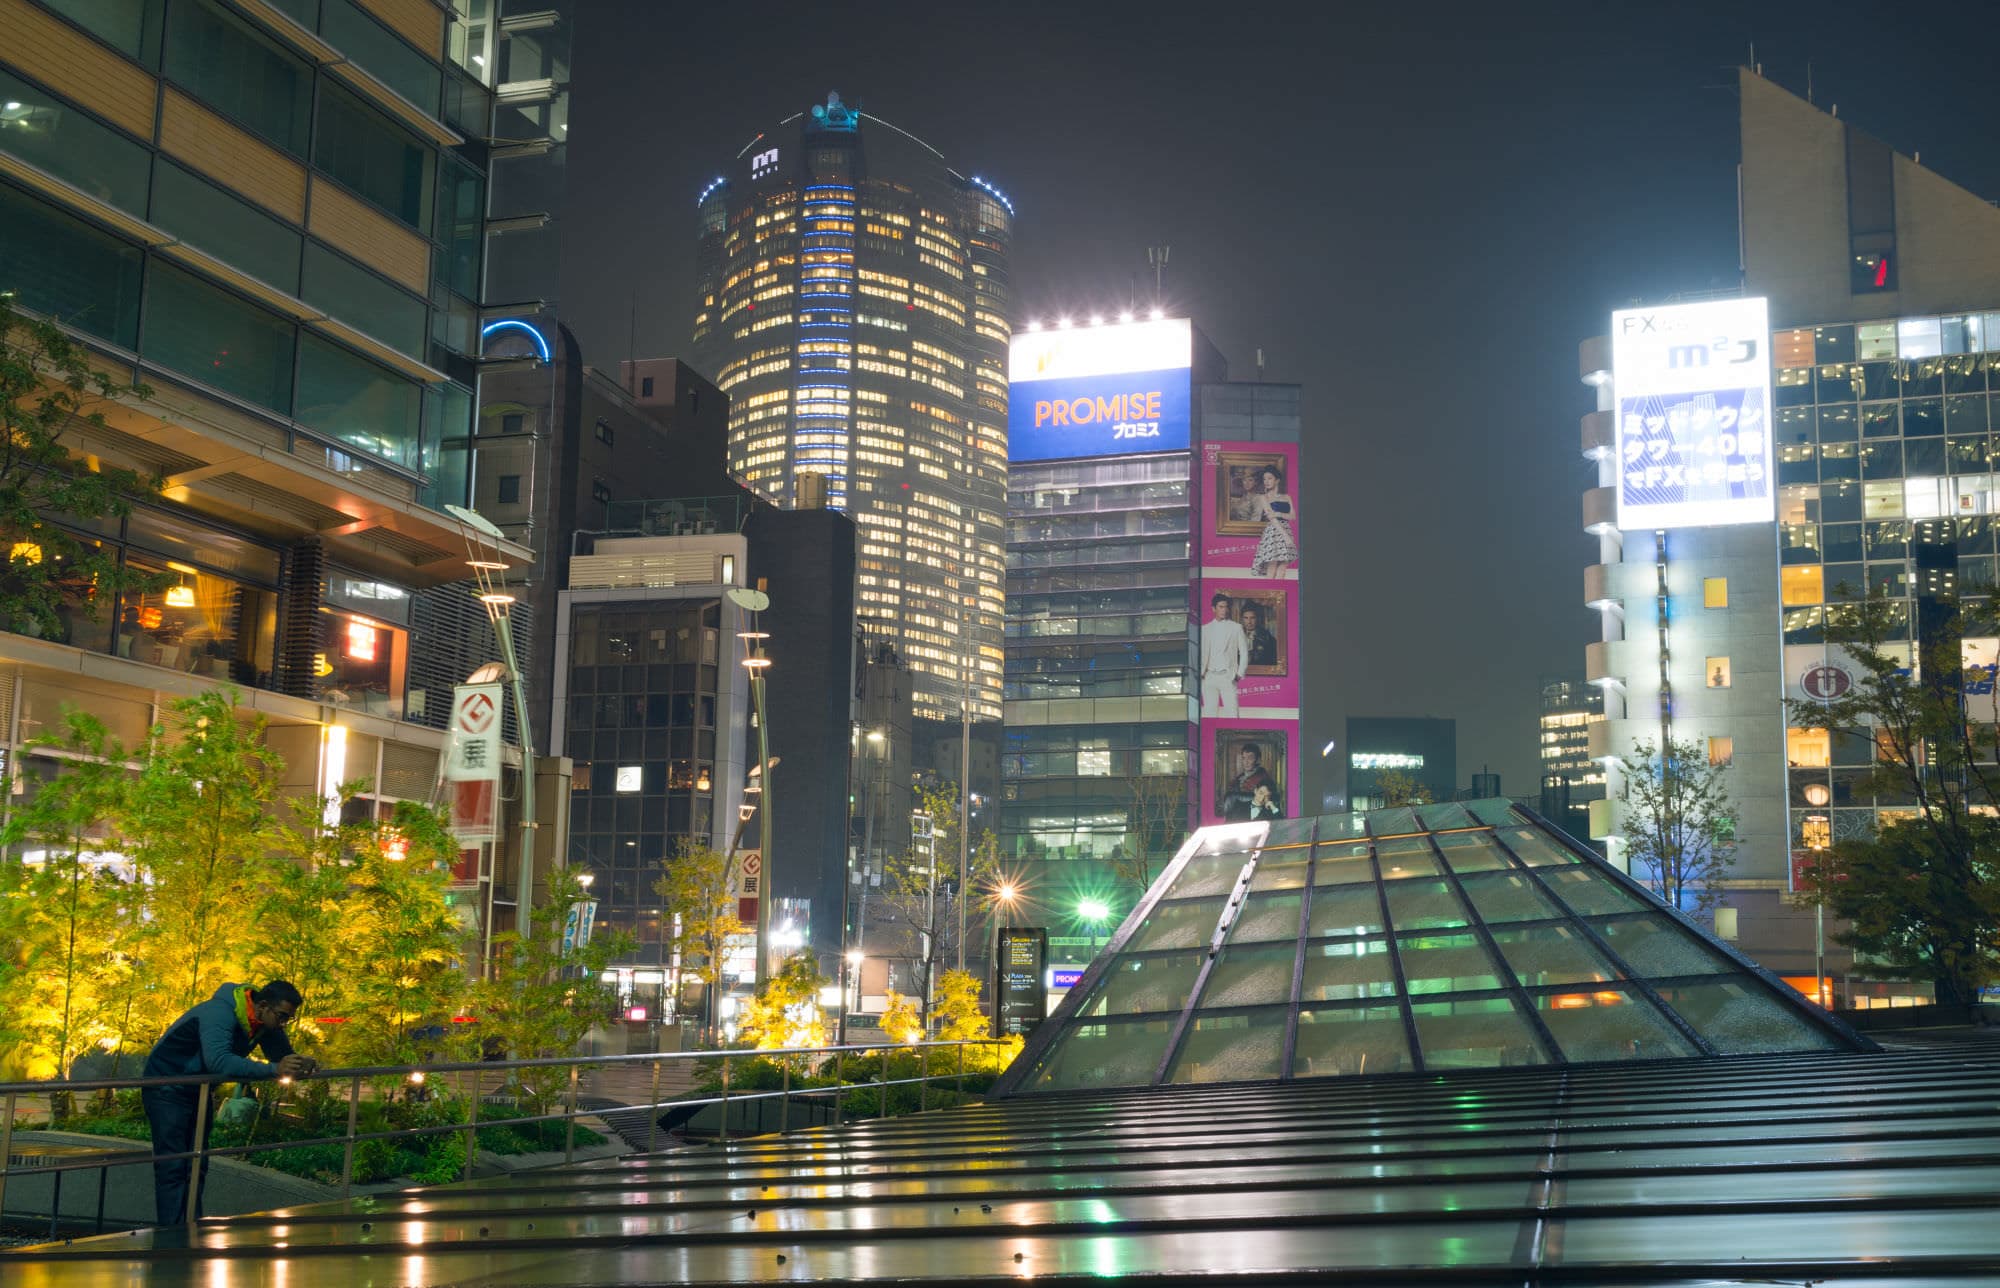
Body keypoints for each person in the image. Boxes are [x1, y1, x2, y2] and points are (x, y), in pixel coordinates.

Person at [142, 981, 314, 1226]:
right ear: (263, 1006)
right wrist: (276, 1070)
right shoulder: (219, 1013)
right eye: (282, 1017)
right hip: (165, 1087)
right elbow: (220, 1062)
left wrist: (301, 1063)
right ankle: (173, 1234)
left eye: (289, 1019)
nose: (284, 1023)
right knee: (173, 1165)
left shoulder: (264, 1021)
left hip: (197, 1090)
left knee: (196, 1163)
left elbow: (282, 1058)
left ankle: (189, 1227)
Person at [1199, 592, 1247, 715]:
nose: (1224, 610)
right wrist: (1200, 673)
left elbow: (1244, 653)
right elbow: (1199, 652)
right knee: (1210, 714)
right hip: (1209, 677)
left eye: (1226, 607)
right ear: (1214, 608)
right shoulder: (1204, 629)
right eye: (1221, 607)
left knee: (1232, 714)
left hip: (1228, 676)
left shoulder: (1236, 628)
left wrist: (1239, 674)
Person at [1246, 465, 1299, 577]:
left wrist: (1278, 513)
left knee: (1283, 566)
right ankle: (1271, 591)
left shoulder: (1287, 497)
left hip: (1286, 529)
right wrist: (1285, 536)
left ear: (1277, 480)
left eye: (1270, 478)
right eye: (1264, 479)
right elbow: (1272, 519)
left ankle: (1278, 592)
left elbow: (1293, 516)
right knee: (1272, 564)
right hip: (1274, 531)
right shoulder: (1263, 497)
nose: (1266, 481)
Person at [1221, 742, 1280, 822]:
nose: (1246, 762)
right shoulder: (1239, 778)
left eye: (1250, 758)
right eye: (1244, 758)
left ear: (1258, 760)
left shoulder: (1264, 778)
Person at [1241, 602, 1278, 668]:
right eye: (1246, 618)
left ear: (1258, 618)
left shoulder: (1268, 638)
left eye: (1252, 618)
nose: (1249, 622)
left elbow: (1273, 664)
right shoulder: (1236, 636)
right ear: (1242, 619)